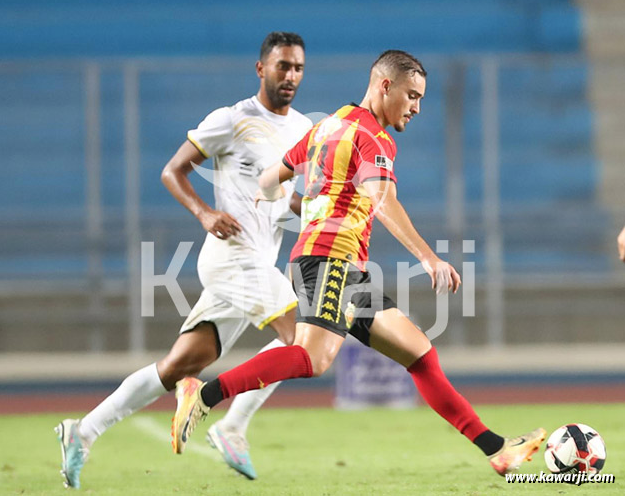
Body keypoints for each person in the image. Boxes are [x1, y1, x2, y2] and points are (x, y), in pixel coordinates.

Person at [170, 50, 546, 477]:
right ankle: (203, 394)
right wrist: (429, 257)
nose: (417, 107)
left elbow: (268, 178)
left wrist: (286, 204)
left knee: (420, 356)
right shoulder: (375, 138)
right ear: (385, 86)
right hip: (329, 259)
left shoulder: (324, 127)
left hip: (343, 263)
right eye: (412, 96)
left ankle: (496, 449)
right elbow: (383, 200)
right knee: (313, 358)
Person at [54, 31, 313, 488]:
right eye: (282, 66)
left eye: (297, 68)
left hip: (257, 264)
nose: (290, 76)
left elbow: (281, 199)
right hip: (232, 258)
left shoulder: (301, 132)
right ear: (261, 69)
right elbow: (172, 170)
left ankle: (82, 431)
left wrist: (315, 212)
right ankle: (232, 425)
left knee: (179, 366)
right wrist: (205, 212)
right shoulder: (231, 120)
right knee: (305, 340)